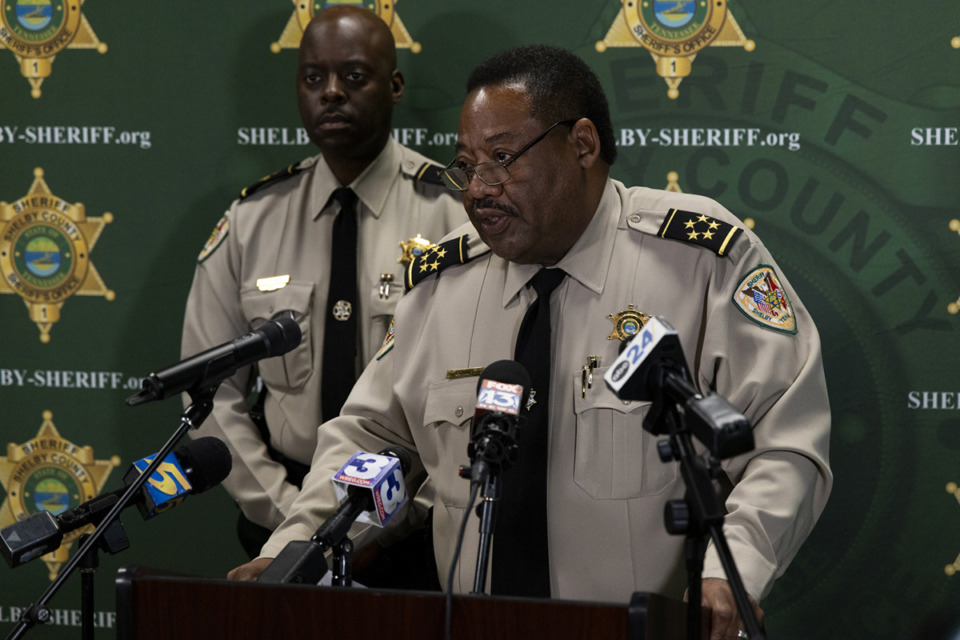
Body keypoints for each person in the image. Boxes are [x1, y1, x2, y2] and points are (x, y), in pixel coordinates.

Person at [228, 45, 832, 640]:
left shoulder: (698, 262)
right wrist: (297, 551)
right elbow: (377, 444)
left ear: (583, 144)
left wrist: (732, 571)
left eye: (503, 158)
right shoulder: (441, 287)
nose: (478, 190)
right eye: (467, 165)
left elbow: (785, 442)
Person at [180, 5, 467, 568]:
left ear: (396, 86)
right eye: (314, 78)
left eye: (354, 77)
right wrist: (294, 519)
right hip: (278, 521)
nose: (331, 92)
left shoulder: (454, 215)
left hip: (412, 533)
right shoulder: (252, 220)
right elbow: (209, 394)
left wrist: (388, 523)